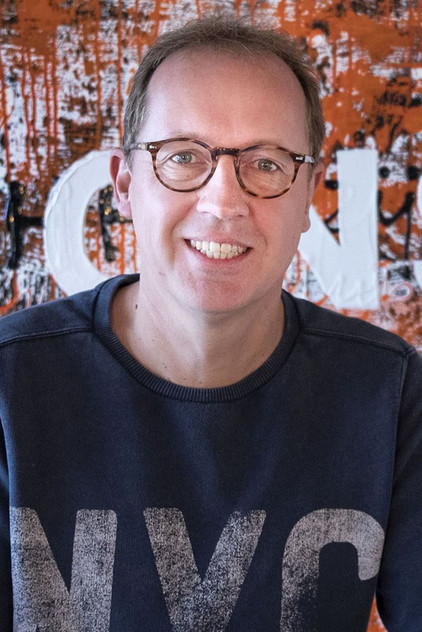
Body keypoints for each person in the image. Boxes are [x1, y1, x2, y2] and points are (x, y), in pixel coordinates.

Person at [0, 14, 421, 632]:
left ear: (309, 193)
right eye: (182, 156)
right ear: (124, 184)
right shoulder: (11, 384)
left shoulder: (391, 392)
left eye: (267, 164)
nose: (223, 202)